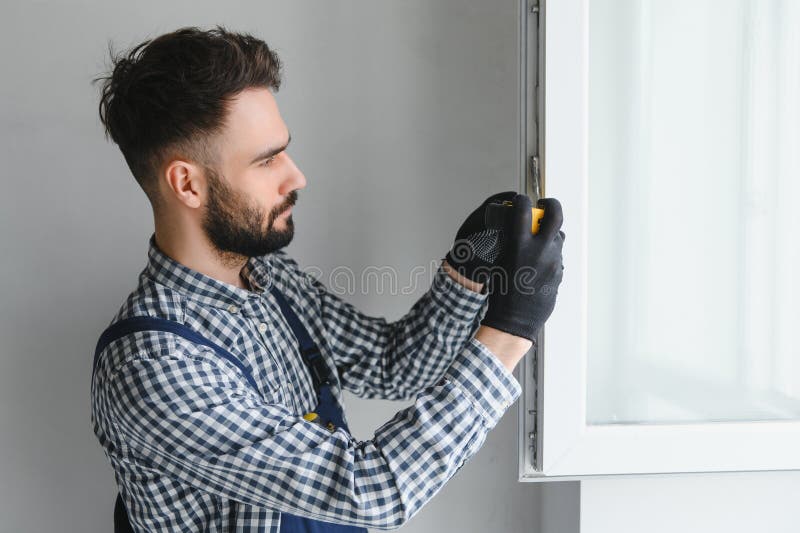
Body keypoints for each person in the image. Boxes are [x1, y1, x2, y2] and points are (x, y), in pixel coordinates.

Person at [89, 25, 565, 532]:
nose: (296, 177)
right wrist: (511, 329)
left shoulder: (271, 280)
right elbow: (369, 490)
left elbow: (391, 366)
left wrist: (468, 270)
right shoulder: (153, 366)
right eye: (267, 159)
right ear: (188, 183)